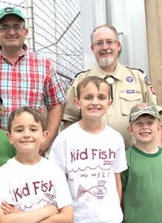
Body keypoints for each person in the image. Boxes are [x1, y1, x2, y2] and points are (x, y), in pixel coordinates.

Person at [0, 6, 66, 155]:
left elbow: (55, 105)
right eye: (4, 27)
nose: (11, 32)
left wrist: (46, 141)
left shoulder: (44, 65)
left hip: (30, 149)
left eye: (17, 26)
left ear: (25, 32)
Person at [62, 24, 162, 148]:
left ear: (118, 46)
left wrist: (157, 156)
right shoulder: (80, 80)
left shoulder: (138, 78)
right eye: (99, 43)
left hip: (133, 157)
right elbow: (69, 120)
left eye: (109, 42)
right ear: (92, 48)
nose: (105, 47)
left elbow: (155, 119)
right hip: (92, 158)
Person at [49, 76, 127, 223]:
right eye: (88, 97)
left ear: (109, 103)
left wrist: (116, 211)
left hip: (110, 218)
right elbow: (57, 182)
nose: (95, 102)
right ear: (77, 103)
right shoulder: (64, 139)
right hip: (77, 218)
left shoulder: (115, 138)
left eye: (101, 97)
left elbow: (117, 181)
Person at [0, 107, 73, 223]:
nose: (26, 134)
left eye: (33, 129)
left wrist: (21, 218)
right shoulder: (3, 174)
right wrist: (50, 210)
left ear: (44, 136)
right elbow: (3, 220)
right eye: (19, 130)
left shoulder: (54, 171)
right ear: (9, 137)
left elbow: (67, 217)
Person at [121, 103, 162, 223]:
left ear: (159, 128)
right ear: (130, 129)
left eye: (150, 123)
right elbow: (121, 194)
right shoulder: (125, 159)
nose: (145, 127)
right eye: (139, 123)